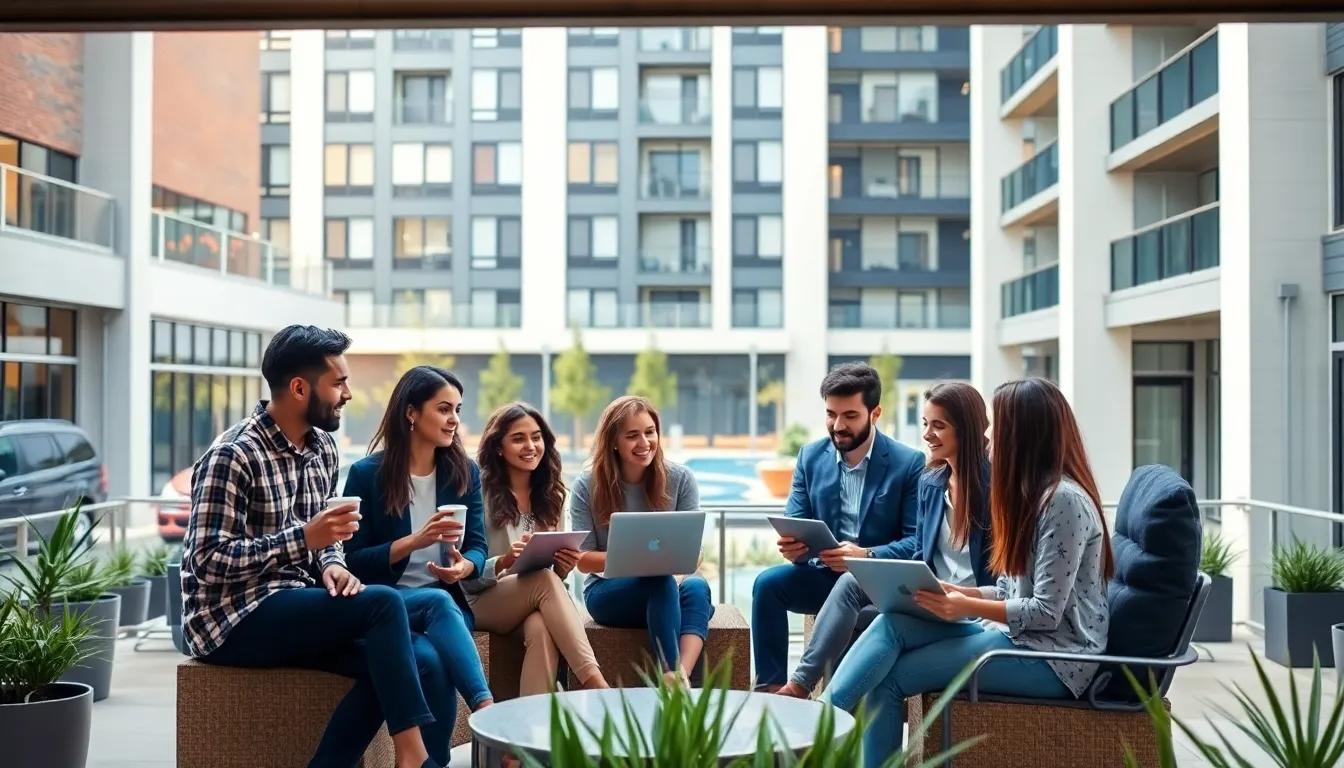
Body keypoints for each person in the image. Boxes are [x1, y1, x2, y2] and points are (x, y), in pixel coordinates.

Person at [182, 325, 447, 768]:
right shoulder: (233, 455)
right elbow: (206, 561)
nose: (348, 394)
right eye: (338, 383)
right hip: (231, 617)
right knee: (382, 603)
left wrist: (331, 564)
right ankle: (413, 758)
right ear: (299, 388)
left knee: (420, 660)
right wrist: (302, 540)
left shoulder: (322, 448)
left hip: (296, 601)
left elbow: (327, 539)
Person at [821, 377, 1114, 767]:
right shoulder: (1029, 493)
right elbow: (1009, 590)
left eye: (999, 427)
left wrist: (965, 607)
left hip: (1056, 659)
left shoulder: (1063, 501)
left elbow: (1046, 613)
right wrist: (961, 594)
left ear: (1024, 434)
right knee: (891, 625)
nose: (989, 438)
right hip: (1012, 636)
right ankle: (815, 723)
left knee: (889, 679)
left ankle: (810, 738)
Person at [775, 380, 998, 699]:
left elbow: (1008, 579)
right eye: (925, 423)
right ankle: (799, 686)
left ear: (968, 429)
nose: (927, 434)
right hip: (931, 596)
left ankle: (815, 707)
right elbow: (919, 553)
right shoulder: (932, 482)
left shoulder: (997, 491)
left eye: (939, 426)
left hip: (971, 608)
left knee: (878, 624)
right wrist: (888, 577)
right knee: (850, 584)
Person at [340, 365, 495, 751]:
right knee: (437, 605)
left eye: (457, 410)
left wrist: (464, 566)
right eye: (444, 409)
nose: (454, 419)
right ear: (411, 412)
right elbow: (352, 559)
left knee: (434, 663)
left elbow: (478, 546)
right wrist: (413, 541)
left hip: (447, 610)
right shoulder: (366, 475)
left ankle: (433, 761)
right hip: (388, 605)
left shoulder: (464, 472)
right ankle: (487, 710)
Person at [751, 362, 924, 693]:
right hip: (824, 574)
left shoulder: (908, 463)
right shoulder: (810, 457)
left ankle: (800, 688)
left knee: (849, 582)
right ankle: (771, 691)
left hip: (880, 583)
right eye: (831, 414)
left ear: (875, 414)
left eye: (850, 416)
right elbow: (797, 522)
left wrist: (865, 554)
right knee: (767, 585)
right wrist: (794, 549)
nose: (838, 425)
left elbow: (917, 543)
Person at [461, 402, 611, 695]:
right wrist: (504, 561)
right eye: (518, 438)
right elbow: (466, 577)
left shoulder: (552, 495)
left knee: (541, 628)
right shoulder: (478, 494)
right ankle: (595, 683)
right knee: (543, 580)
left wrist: (563, 567)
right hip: (478, 599)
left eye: (536, 437)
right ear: (499, 447)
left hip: (530, 599)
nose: (530, 446)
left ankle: (533, 719)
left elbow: (553, 580)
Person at [570, 395, 712, 684]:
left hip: (666, 588)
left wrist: (670, 568)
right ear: (614, 441)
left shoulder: (681, 478)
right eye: (632, 435)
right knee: (659, 580)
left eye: (650, 432)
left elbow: (694, 554)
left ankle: (678, 679)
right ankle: (670, 672)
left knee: (697, 587)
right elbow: (582, 560)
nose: (644, 442)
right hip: (607, 592)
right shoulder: (586, 485)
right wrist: (638, 562)